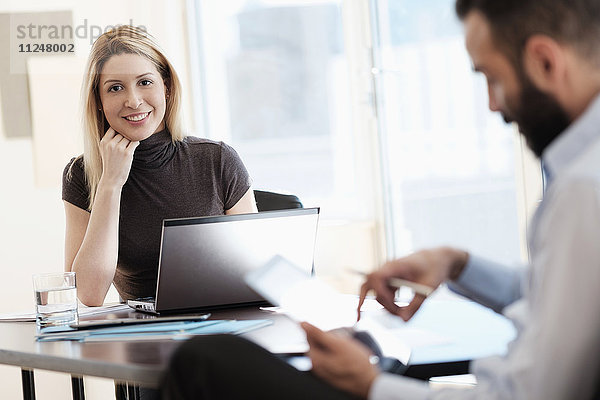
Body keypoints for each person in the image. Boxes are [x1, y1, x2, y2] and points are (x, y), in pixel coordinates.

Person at [161, 0, 600, 399]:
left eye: (493, 78)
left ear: (544, 62)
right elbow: (561, 297)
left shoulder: (582, 188)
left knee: (205, 363)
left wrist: (372, 385)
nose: (492, 106)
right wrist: (457, 264)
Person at [62, 25, 257, 307]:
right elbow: (88, 294)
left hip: (219, 325)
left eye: (145, 82)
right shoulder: (81, 174)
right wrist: (110, 183)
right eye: (115, 88)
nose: (133, 100)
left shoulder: (217, 159)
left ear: (166, 86)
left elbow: (255, 270)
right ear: (100, 102)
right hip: (141, 337)